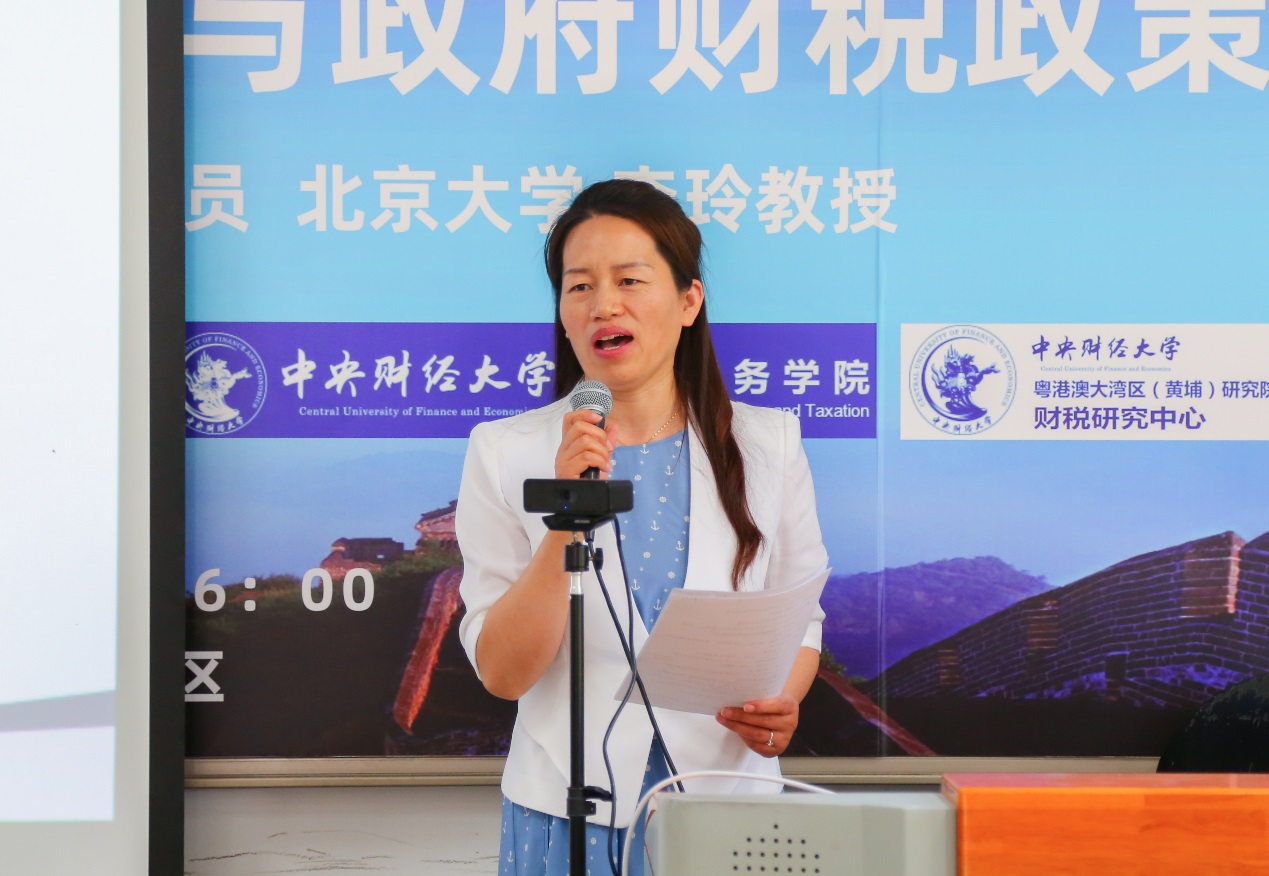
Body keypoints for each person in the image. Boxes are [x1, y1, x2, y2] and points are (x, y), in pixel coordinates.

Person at [455, 179, 828, 875]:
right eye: (579, 286)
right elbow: (502, 672)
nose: (604, 304)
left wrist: (783, 703)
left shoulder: (767, 443)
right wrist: (566, 518)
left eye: (629, 280)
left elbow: (800, 617)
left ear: (688, 301)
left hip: (729, 804)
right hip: (566, 812)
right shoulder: (504, 451)